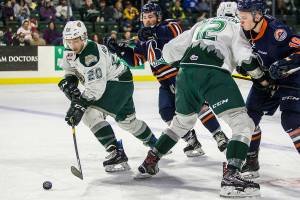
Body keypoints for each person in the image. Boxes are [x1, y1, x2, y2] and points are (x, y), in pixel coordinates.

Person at [136, 2, 261, 198]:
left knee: (181, 122)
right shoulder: (238, 27)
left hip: (185, 73)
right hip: (214, 73)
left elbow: (169, 52)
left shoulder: (202, 24)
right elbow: (246, 58)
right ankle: (232, 176)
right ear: (238, 15)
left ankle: (150, 161)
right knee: (243, 123)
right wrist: (261, 75)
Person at [105, 2, 229, 157]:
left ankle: (219, 136)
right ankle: (192, 141)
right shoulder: (143, 38)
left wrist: (153, 32)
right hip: (165, 83)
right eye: (145, 17)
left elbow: (173, 33)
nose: (147, 20)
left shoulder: (170, 25)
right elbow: (136, 60)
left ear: (158, 17)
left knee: (200, 107)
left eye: (151, 16)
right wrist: (119, 50)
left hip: (184, 76)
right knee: (166, 112)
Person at [58, 20, 158, 172]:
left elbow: (95, 90)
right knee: (127, 121)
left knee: (89, 113)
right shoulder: (69, 50)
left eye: (76, 40)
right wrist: (70, 84)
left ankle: (116, 152)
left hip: (117, 83)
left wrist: (79, 106)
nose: (73, 45)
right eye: (69, 41)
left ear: (83, 37)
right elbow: (70, 70)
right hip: (122, 81)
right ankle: (155, 145)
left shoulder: (90, 54)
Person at [236, 0, 300, 179]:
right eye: (239, 17)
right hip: (265, 79)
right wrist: (244, 64)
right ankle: (251, 160)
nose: (240, 21)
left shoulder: (277, 32)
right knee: (248, 120)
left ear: (257, 16)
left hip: (291, 79)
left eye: (244, 17)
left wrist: (285, 63)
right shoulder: (243, 31)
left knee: (291, 120)